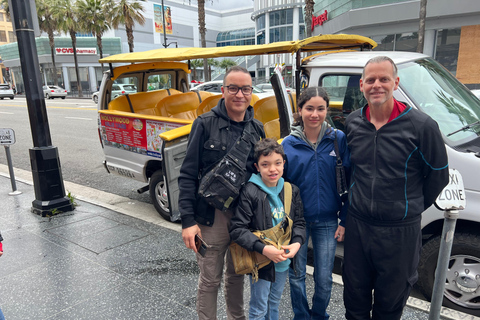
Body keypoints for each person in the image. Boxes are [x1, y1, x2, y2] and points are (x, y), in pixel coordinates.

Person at [342, 56, 449, 320]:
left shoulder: (422, 127)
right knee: (354, 299)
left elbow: (438, 177)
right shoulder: (353, 123)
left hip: (399, 232)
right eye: (371, 80)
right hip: (359, 227)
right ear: (361, 85)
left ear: (396, 82)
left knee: (389, 305)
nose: (377, 85)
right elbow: (349, 170)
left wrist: (407, 207)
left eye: (384, 79)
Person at [178, 66, 265, 320]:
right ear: (223, 90)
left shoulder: (257, 128)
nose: (240, 94)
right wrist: (188, 221)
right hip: (211, 218)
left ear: (251, 92)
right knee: (210, 280)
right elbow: (187, 174)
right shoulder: (204, 124)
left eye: (246, 88)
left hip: (243, 218)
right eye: (233, 88)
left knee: (236, 276)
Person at [282, 87, 350, 320]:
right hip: (297, 222)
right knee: (297, 275)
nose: (315, 114)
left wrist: (345, 219)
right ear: (299, 110)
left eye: (320, 109)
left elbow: (351, 179)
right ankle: (301, 316)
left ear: (326, 110)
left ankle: (319, 315)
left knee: (324, 277)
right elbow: (281, 185)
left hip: (329, 220)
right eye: (309, 108)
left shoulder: (338, 140)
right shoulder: (287, 144)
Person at [230, 138, 306, 320]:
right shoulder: (250, 191)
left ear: (284, 164)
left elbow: (300, 222)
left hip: (283, 262)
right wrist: (264, 249)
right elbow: (237, 229)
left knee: (274, 303)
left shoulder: (291, 190)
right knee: (258, 307)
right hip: (261, 261)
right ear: (257, 167)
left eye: (277, 163)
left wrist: (297, 244)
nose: (272, 169)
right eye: (266, 164)